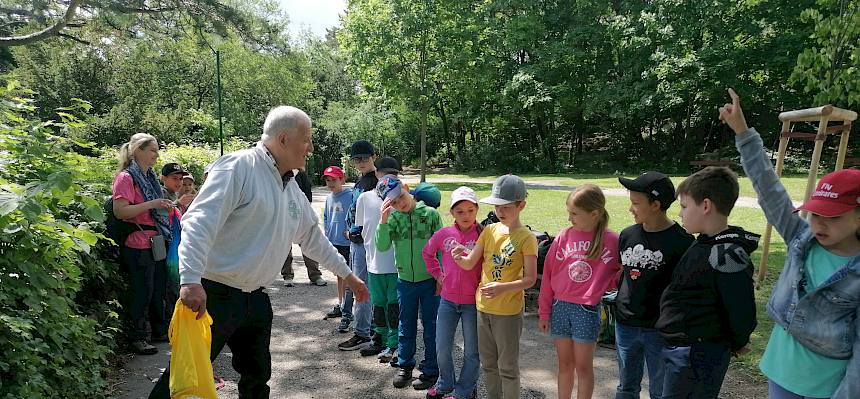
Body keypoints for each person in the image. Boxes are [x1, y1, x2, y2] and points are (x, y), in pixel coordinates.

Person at [148, 106, 369, 399]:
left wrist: (348, 276)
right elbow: (198, 222)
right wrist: (189, 281)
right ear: (283, 139)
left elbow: (313, 239)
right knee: (182, 377)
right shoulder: (238, 168)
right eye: (307, 139)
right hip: (214, 296)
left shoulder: (290, 187)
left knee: (257, 378)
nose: (311, 147)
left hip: (257, 299)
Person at [721, 88, 860, 399]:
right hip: (780, 373)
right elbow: (769, 189)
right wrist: (743, 132)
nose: (819, 224)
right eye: (815, 214)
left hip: (823, 388)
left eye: (834, 217)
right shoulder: (802, 238)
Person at [656, 166, 759, 399]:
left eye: (684, 206)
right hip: (682, 349)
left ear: (705, 206)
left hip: (698, 353)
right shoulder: (704, 242)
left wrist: (739, 340)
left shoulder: (726, 254)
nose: (680, 214)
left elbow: (740, 305)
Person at [452, 174, 538, 399]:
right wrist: (460, 256)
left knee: (507, 368)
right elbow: (471, 261)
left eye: (506, 206)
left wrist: (503, 288)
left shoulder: (526, 237)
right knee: (489, 365)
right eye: (497, 205)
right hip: (483, 308)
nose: (500, 211)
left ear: (521, 205)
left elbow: (530, 279)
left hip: (508, 312)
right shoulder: (489, 230)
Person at [614, 172, 694, 399]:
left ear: (656, 205)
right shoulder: (627, 235)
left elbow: (685, 290)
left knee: (660, 390)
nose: (631, 209)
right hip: (626, 324)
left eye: (636, 203)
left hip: (659, 330)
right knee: (626, 387)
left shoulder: (683, 242)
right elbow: (624, 273)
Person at [538, 184, 621, 399]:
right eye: (569, 213)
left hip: (586, 309)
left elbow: (619, 274)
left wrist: (607, 284)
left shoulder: (612, 241)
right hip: (560, 307)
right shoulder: (564, 236)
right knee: (564, 365)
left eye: (574, 213)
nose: (569, 218)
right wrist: (544, 311)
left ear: (594, 214)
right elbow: (548, 275)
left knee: (583, 367)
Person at [376, 174, 443, 390]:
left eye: (400, 197)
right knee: (406, 324)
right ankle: (405, 366)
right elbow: (382, 246)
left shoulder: (431, 214)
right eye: (393, 202)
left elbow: (442, 248)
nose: (399, 204)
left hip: (430, 281)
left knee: (432, 326)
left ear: (406, 188)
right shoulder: (394, 219)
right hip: (405, 282)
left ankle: (432, 369)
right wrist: (383, 221)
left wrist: (441, 277)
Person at [111, 133, 173, 355]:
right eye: (152, 150)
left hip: (155, 240)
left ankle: (158, 331)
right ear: (138, 151)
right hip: (137, 242)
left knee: (157, 289)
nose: (157, 155)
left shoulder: (150, 177)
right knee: (142, 292)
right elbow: (120, 211)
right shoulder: (126, 178)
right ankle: (138, 337)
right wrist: (152, 204)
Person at [423, 186, 483, 399]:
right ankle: (445, 383)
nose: (465, 216)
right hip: (447, 301)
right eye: (460, 211)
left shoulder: (484, 236)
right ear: (451, 212)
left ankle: (465, 390)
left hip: (472, 303)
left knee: (471, 351)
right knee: (442, 347)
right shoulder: (444, 234)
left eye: (470, 210)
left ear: (477, 210)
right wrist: (438, 275)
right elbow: (428, 253)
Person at [353, 157, 402, 360]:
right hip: (374, 262)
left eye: (395, 173)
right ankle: (378, 339)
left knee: (393, 306)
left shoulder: (403, 197)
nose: (390, 176)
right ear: (377, 173)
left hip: (397, 264)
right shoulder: (365, 198)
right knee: (379, 304)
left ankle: (394, 344)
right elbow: (360, 229)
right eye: (386, 173)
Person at [339, 140, 378, 335]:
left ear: (374, 157)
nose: (361, 162)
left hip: (366, 241)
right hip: (355, 240)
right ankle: (365, 325)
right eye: (357, 160)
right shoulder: (361, 180)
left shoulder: (376, 180)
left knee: (363, 285)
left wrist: (356, 232)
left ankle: (364, 330)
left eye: (365, 158)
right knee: (357, 283)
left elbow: (373, 215)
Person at [281, 169, 327, 287]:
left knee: (309, 244)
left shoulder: (300, 173)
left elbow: (308, 194)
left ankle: (315, 275)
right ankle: (287, 275)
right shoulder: (277, 174)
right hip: (282, 216)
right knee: (285, 247)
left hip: (300, 214)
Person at [319, 166, 352, 311]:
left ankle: (350, 304)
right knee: (339, 275)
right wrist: (327, 233)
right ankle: (341, 302)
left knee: (349, 274)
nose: (331, 183)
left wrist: (351, 230)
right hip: (334, 241)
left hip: (347, 242)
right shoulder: (328, 198)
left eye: (334, 180)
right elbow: (326, 217)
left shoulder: (350, 195)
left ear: (342, 179)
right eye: (328, 180)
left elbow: (355, 214)